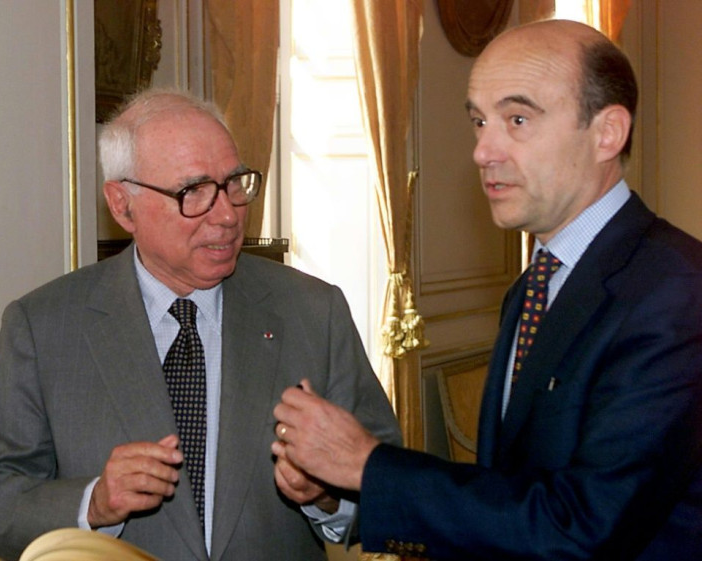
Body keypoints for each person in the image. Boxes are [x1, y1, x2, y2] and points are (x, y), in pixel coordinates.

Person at [271, 19, 702, 561]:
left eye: (517, 119)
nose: (482, 151)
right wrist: (343, 492)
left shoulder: (677, 291)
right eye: (479, 121)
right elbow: (508, 496)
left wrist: (369, 465)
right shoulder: (533, 286)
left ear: (607, 132)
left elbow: (583, 529)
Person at [0, 89, 401, 561]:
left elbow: (393, 494)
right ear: (121, 204)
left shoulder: (315, 312)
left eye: (234, 183)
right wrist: (92, 502)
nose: (228, 214)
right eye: (193, 191)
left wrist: (327, 496)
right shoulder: (43, 327)